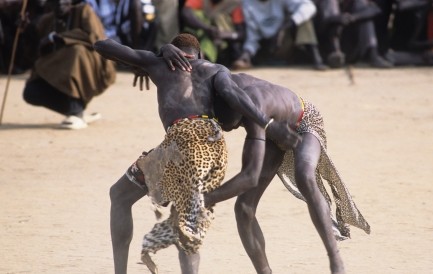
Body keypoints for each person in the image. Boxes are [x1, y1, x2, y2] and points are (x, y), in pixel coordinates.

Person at [138, 43, 370, 274]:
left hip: (303, 122)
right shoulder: (216, 87)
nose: (226, 129)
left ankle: (335, 259)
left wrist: (205, 199)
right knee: (244, 209)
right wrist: (161, 51)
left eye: (227, 124)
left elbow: (249, 177)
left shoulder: (253, 109)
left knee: (304, 175)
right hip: (272, 133)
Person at [93, 33, 301, 274]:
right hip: (214, 148)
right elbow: (231, 92)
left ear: (175, 51)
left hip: (181, 143)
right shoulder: (216, 69)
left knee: (119, 195)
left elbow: (102, 45)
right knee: (188, 219)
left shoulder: (159, 63)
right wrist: (267, 124)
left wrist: (160, 52)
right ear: (199, 54)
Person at [22, 0, 116, 129]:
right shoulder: (48, 20)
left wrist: (58, 38)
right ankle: (76, 110)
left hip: (91, 68)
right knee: (31, 92)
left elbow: (94, 37)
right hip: (58, 74)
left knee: (75, 52)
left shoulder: (84, 11)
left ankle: (75, 111)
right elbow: (32, 51)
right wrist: (25, 30)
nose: (60, 3)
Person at [232, 0, 328, 70]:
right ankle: (258, 59)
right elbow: (252, 34)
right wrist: (246, 54)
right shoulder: (247, 3)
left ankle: (316, 58)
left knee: (304, 20)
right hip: (269, 45)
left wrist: (287, 26)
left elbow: (309, 7)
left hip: (286, 37)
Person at [180, 0, 245, 67]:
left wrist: (224, 35)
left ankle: (203, 59)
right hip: (201, 34)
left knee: (220, 19)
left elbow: (241, 34)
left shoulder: (233, 3)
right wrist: (206, 28)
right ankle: (196, 54)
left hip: (222, 41)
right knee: (197, 14)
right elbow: (186, 13)